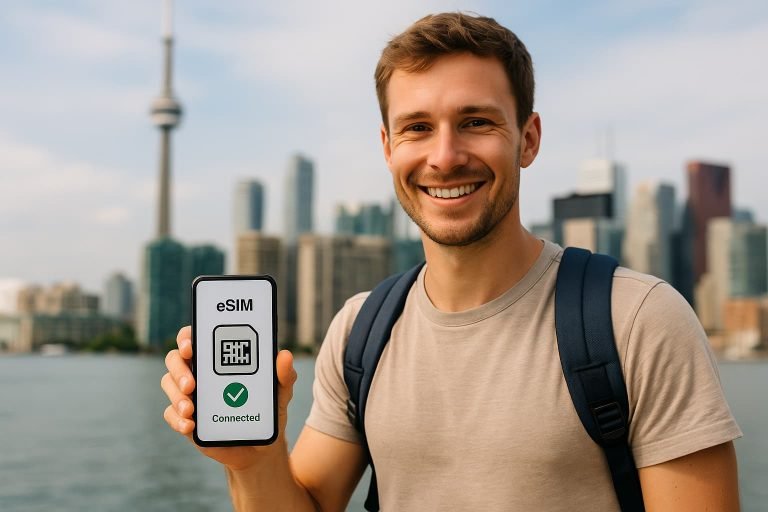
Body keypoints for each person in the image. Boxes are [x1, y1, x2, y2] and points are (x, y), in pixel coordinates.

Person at [161, 12, 742, 511]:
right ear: (389, 149)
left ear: (528, 139)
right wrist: (251, 459)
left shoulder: (638, 319)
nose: (445, 156)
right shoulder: (361, 330)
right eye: (417, 128)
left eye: (476, 122)